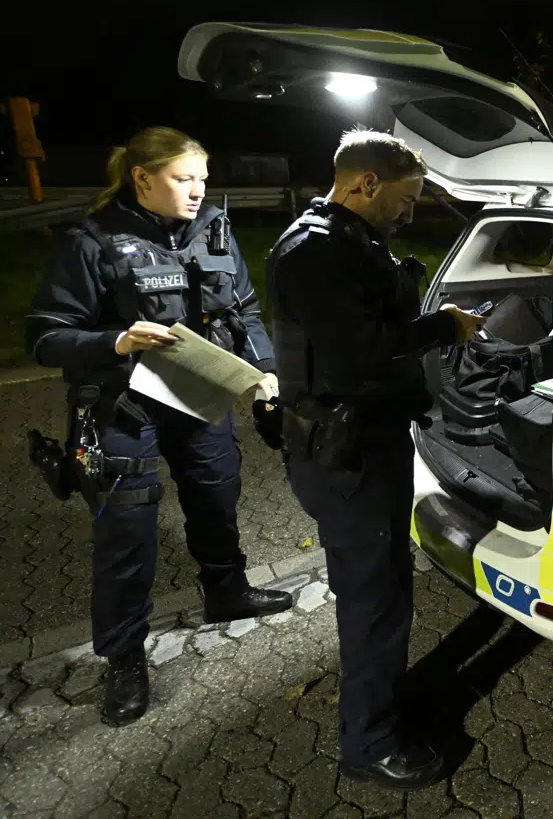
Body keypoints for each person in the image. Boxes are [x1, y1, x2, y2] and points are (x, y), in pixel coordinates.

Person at [25, 126, 294, 727]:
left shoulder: (214, 230)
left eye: (202, 177)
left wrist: (266, 373)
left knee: (217, 494)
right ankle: (123, 657)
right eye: (182, 178)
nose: (198, 190)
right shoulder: (92, 241)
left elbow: (244, 311)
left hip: (198, 394)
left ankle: (226, 594)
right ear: (142, 178)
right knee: (127, 530)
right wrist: (113, 340)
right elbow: (42, 337)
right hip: (124, 404)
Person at [267, 129, 484, 790]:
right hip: (346, 454)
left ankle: (380, 704)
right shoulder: (313, 251)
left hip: (365, 444)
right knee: (375, 599)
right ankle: (368, 745)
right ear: (365, 183)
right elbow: (364, 352)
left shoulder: (345, 240)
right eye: (407, 199)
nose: (409, 212)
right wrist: (443, 325)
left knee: (383, 588)